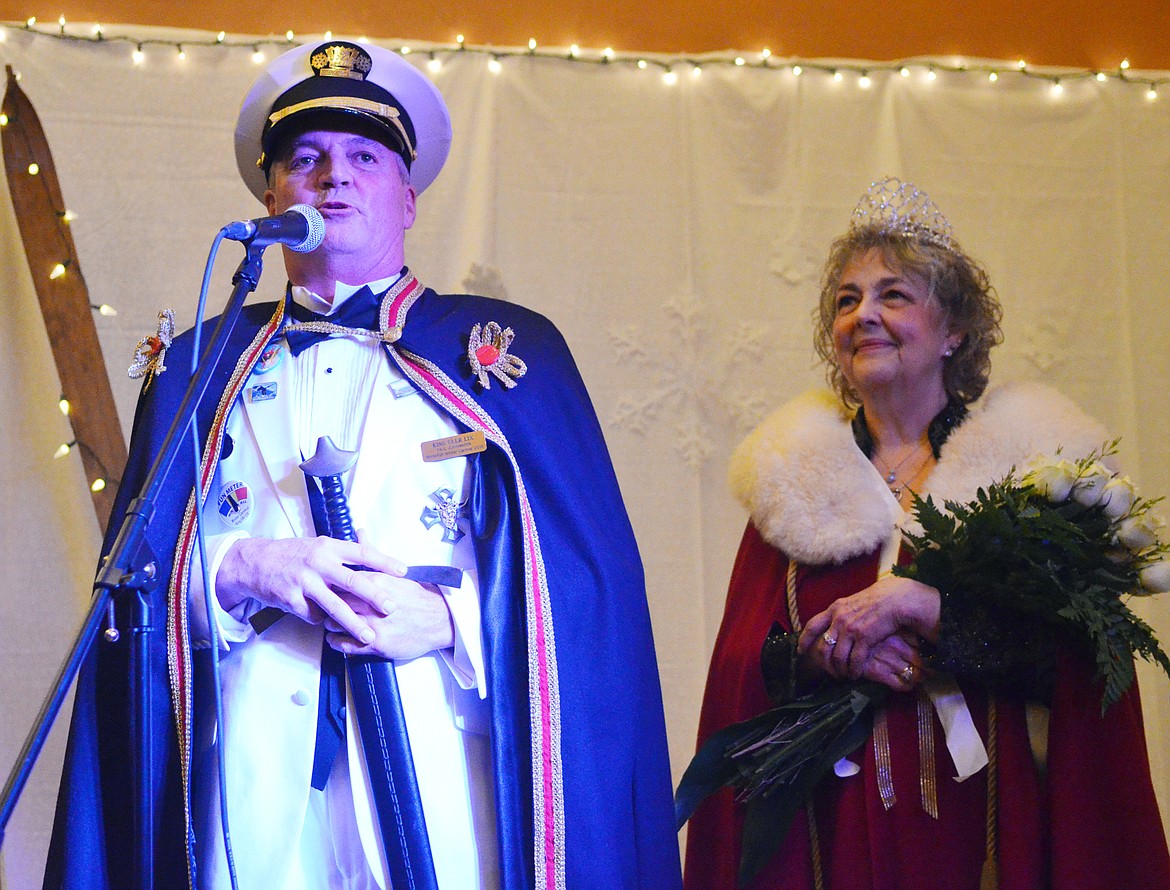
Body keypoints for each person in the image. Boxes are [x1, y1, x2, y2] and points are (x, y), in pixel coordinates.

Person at [45, 40, 682, 890]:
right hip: (250, 785)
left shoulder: (502, 355)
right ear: (270, 196)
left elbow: (593, 593)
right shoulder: (200, 364)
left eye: (362, 158)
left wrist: (452, 621)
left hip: (446, 772)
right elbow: (135, 589)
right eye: (304, 161)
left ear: (407, 198)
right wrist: (242, 569)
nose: (332, 178)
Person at [682, 177, 1170, 889]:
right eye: (847, 301)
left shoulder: (1029, 480)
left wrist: (932, 614)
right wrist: (825, 656)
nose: (863, 316)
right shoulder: (793, 485)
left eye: (894, 296)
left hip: (987, 830)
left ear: (955, 332)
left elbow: (1084, 671)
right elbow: (740, 668)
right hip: (832, 830)